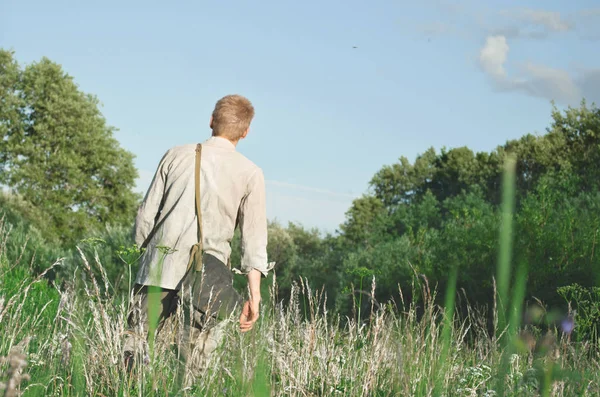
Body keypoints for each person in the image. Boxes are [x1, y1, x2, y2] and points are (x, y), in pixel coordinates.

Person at [123, 94, 271, 378]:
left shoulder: (176, 154)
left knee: (135, 352)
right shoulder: (251, 173)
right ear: (245, 131)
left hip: (158, 269)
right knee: (191, 371)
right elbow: (254, 241)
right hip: (208, 279)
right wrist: (254, 295)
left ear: (212, 121)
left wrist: (142, 259)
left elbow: (145, 216)